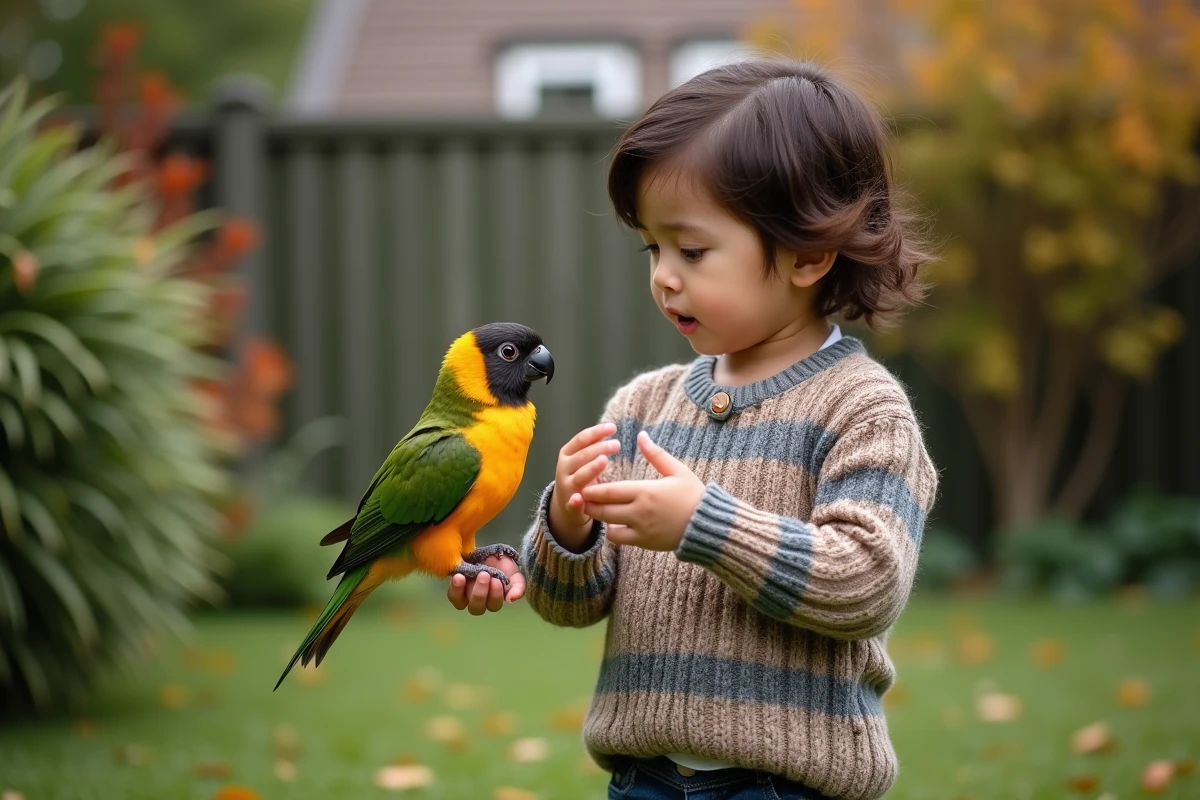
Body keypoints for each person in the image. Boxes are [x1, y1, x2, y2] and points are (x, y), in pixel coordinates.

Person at [447, 58, 939, 800]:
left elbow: (866, 583)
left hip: (784, 785)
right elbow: (571, 604)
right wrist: (567, 529)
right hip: (645, 779)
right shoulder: (643, 405)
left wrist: (702, 524)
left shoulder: (862, 408)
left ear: (808, 252)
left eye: (693, 250)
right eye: (653, 248)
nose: (664, 276)